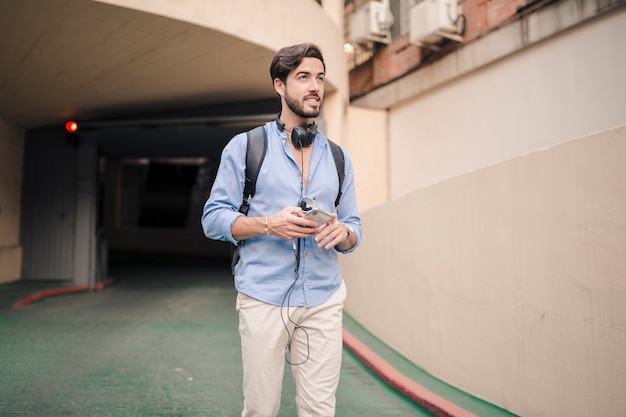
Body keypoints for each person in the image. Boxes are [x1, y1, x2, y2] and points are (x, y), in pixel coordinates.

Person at [201, 43, 361, 417]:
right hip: (263, 298)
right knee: (262, 410)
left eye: (320, 78)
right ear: (279, 85)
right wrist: (269, 224)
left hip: (323, 299)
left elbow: (354, 228)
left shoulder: (339, 158)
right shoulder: (245, 147)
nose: (315, 87)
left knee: (319, 411)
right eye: (303, 77)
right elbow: (212, 219)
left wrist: (343, 234)